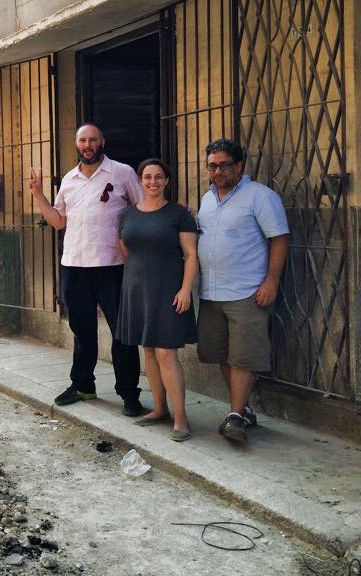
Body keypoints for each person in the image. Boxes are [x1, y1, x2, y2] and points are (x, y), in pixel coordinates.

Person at [28, 123, 145, 416]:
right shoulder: (69, 179)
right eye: (83, 140)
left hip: (112, 266)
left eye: (93, 139)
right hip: (75, 265)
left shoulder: (122, 172)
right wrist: (38, 194)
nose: (88, 145)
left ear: (102, 141)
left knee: (123, 333)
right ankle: (83, 385)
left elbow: (143, 207)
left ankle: (129, 393)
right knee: (82, 330)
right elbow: (58, 221)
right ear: (76, 145)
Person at [197, 138, 290, 445]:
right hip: (212, 292)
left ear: (239, 166)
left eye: (224, 165)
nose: (217, 171)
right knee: (223, 354)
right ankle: (243, 410)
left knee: (244, 357)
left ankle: (235, 416)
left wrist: (271, 281)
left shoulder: (260, 197)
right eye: (212, 165)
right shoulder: (207, 200)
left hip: (247, 291)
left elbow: (279, 239)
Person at [116, 159, 198, 441]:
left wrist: (186, 289)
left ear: (167, 181)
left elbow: (191, 255)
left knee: (166, 352)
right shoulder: (126, 215)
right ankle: (160, 409)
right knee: (148, 349)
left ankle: (181, 417)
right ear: (140, 180)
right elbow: (126, 249)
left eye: (159, 177)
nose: (153, 181)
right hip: (137, 289)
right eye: (147, 177)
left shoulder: (179, 215)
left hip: (168, 289)